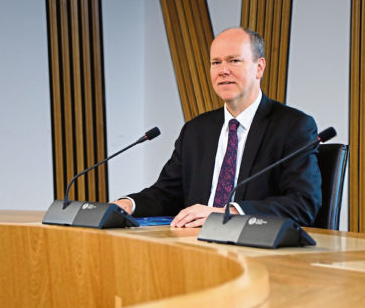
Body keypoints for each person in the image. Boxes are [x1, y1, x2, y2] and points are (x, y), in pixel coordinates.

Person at [113, 27, 321, 228]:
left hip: (254, 250)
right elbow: (168, 194)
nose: (223, 70)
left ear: (259, 67)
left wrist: (228, 213)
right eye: (216, 62)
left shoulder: (293, 126)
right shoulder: (196, 130)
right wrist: (127, 205)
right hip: (194, 244)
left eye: (234, 61)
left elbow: (302, 203)